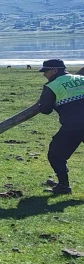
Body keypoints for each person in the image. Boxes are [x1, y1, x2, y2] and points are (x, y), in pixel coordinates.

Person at [37, 59, 84, 195]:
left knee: (56, 155)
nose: (44, 74)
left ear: (55, 70)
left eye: (46, 71)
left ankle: (63, 186)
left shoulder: (52, 86)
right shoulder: (81, 78)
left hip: (73, 127)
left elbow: (46, 110)